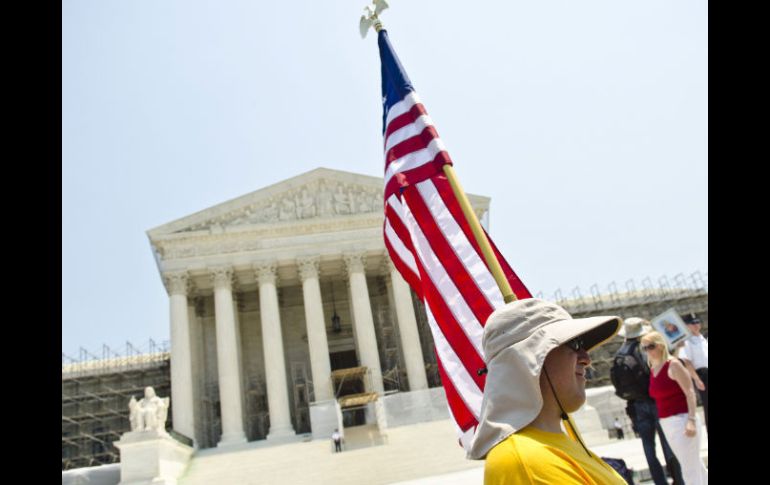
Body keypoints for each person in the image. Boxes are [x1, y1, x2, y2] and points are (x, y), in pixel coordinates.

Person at [468, 298, 628, 484]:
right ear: (529, 359)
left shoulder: (550, 448)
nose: (586, 358)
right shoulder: (525, 461)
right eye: (574, 344)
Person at [610, 318, 683, 485]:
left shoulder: (620, 353)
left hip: (636, 405)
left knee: (649, 448)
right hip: (654, 402)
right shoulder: (644, 349)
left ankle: (660, 482)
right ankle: (678, 479)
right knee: (667, 445)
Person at [641, 331, 708, 485]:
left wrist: (691, 419)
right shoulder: (653, 368)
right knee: (693, 464)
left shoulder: (674, 364)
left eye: (650, 346)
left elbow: (690, 392)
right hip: (667, 422)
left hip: (683, 419)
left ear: (660, 345)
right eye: (644, 348)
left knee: (688, 468)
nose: (647, 351)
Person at [678, 313, 708, 434]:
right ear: (686, 326)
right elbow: (687, 361)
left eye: (697, 322)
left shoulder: (703, 338)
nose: (696, 325)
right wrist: (696, 379)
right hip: (702, 375)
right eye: (692, 323)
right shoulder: (687, 341)